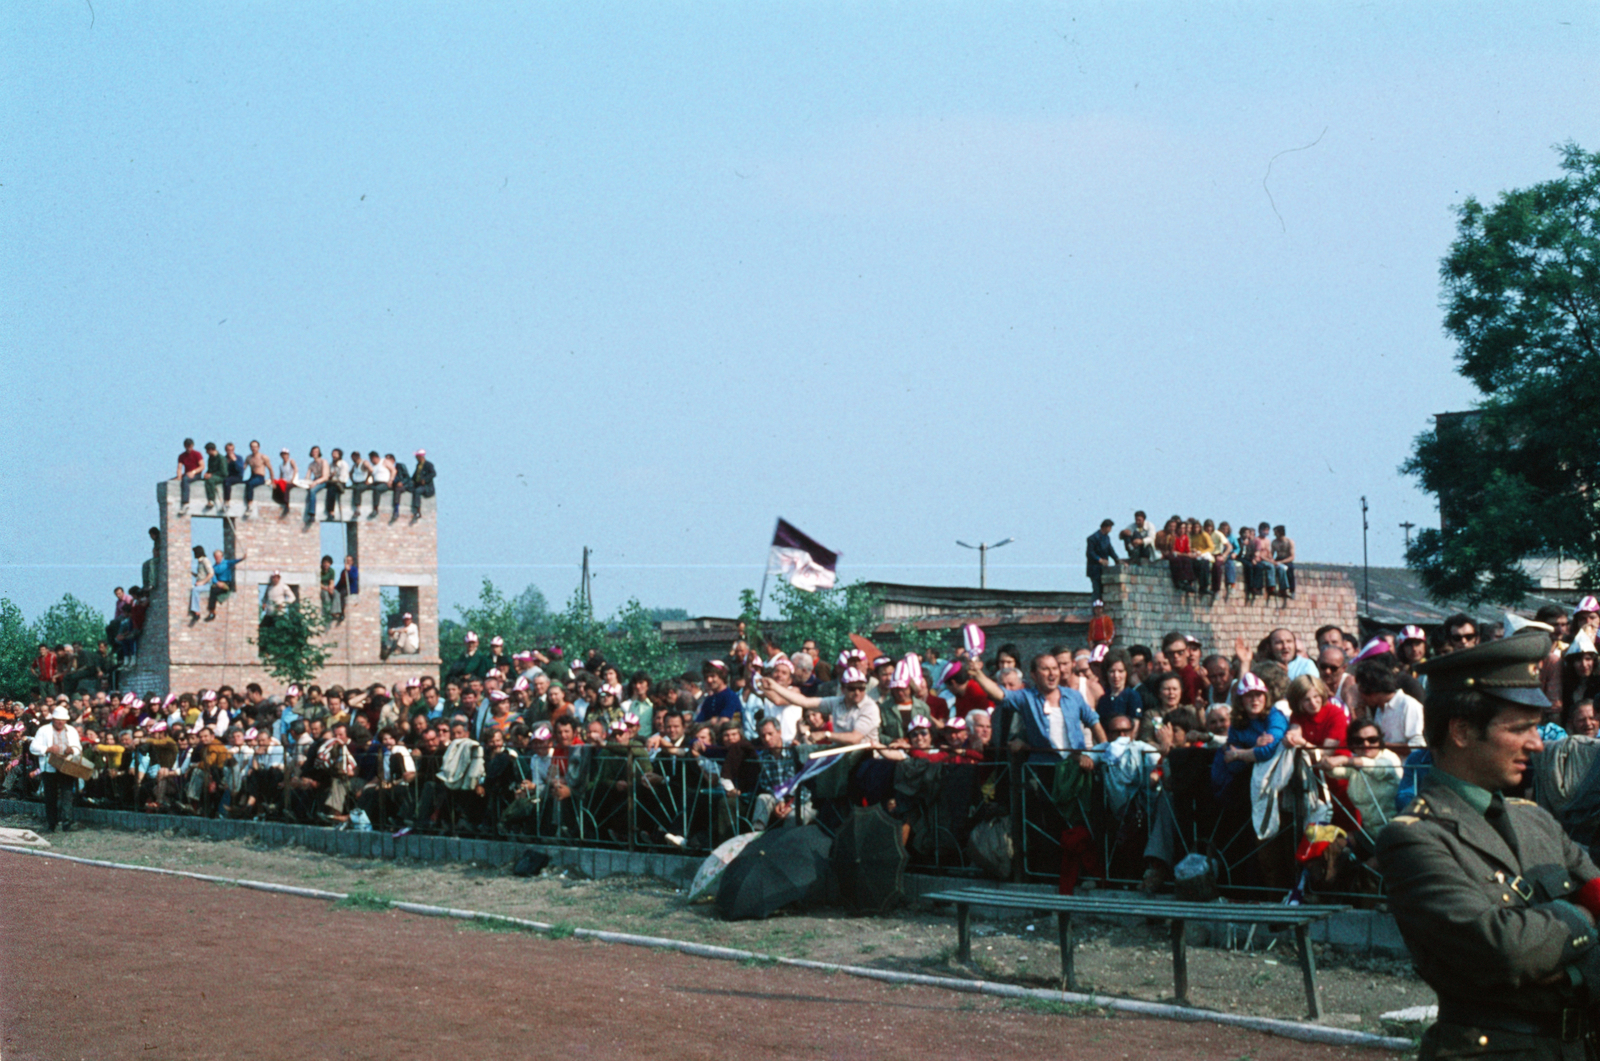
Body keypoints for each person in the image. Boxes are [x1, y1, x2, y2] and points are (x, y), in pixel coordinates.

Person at [1377, 631, 1600, 1061]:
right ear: (1461, 731)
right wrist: (1581, 915)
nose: (1537, 745)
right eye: (1520, 729)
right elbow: (1502, 951)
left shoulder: (1534, 818)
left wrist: (1552, 941)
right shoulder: (1414, 838)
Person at [30, 705, 84, 832]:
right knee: (50, 796)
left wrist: (73, 750)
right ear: (53, 719)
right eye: (58, 719)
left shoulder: (71, 730)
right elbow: (33, 747)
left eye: (63, 720)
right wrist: (47, 749)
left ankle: (67, 823)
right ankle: (51, 824)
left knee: (67, 794)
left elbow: (78, 748)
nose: (60, 722)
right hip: (49, 767)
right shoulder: (44, 730)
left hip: (66, 766)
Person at [206, 548, 246, 620]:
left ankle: (212, 610)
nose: (217, 558)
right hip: (219, 584)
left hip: (227, 584)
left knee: (214, 591)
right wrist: (217, 583)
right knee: (213, 589)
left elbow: (235, 561)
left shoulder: (227, 563)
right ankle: (212, 610)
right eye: (216, 557)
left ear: (222, 556)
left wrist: (243, 558)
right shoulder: (214, 567)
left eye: (218, 556)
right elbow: (213, 576)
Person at [1086, 519, 1117, 600]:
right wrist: (1099, 559)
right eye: (1109, 527)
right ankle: (1095, 609)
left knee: (1103, 590)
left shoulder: (1106, 538)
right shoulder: (1093, 538)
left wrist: (1117, 560)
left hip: (1103, 569)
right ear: (1105, 527)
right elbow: (1090, 553)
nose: (1110, 530)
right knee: (1097, 590)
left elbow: (1110, 550)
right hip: (1094, 569)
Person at [173, 437, 204, 511]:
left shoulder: (197, 454)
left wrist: (193, 472)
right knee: (173, 480)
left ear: (192, 446)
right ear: (185, 446)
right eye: (187, 446)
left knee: (185, 480)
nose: (189, 448)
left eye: (190, 446)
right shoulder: (182, 456)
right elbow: (179, 468)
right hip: (187, 474)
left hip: (196, 474)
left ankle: (185, 502)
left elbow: (202, 466)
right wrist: (178, 476)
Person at [409, 449, 436, 516]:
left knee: (417, 491)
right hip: (418, 484)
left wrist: (425, 480)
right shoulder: (418, 465)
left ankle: (417, 510)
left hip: (426, 487)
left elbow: (433, 474)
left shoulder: (428, 464)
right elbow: (415, 476)